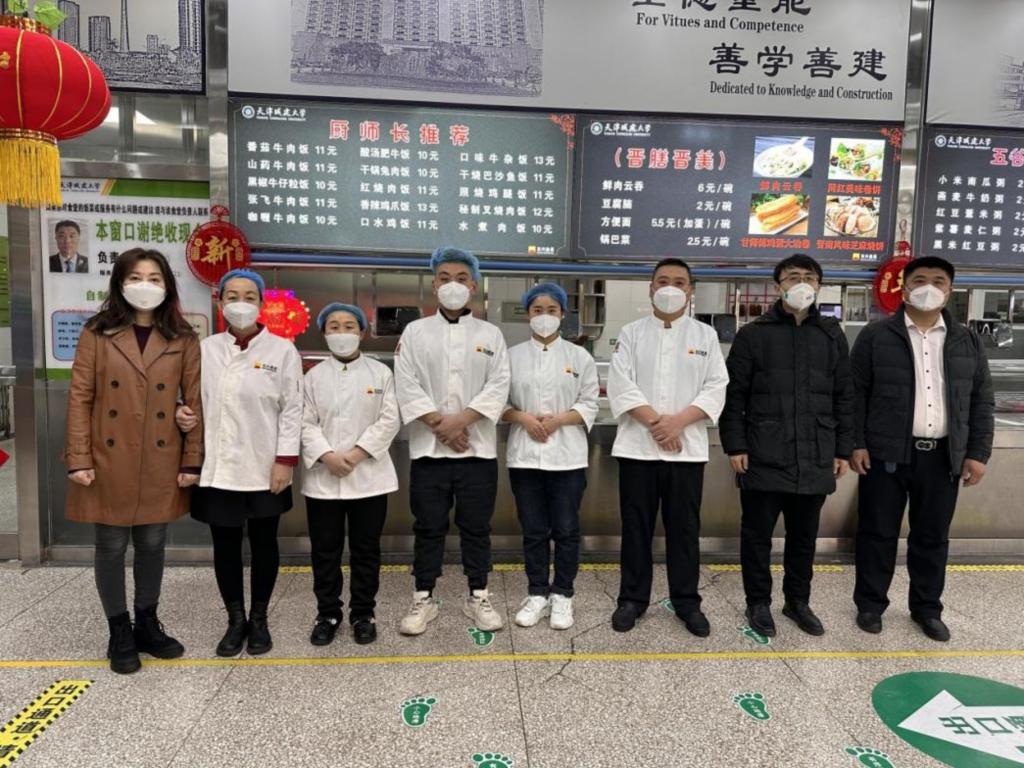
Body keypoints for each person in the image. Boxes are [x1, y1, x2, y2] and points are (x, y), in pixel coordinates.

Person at [64, 248, 202, 674]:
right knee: (110, 545)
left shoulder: (183, 337)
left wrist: (192, 458)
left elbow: (194, 401)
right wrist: (79, 457)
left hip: (160, 455)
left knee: (153, 542)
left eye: (155, 278)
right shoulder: (97, 332)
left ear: (167, 286)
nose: (146, 285)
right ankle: (118, 629)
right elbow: (81, 397)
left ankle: (147, 623)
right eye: (136, 277)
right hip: (108, 455)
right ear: (120, 283)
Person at [851, 256, 993, 642]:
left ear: (949, 290)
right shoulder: (876, 336)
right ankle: (870, 604)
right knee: (877, 532)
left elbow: (981, 399)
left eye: (938, 281)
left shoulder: (966, 340)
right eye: (919, 280)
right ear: (905, 288)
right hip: (886, 454)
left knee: (932, 536)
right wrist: (856, 444)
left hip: (943, 456)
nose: (928, 287)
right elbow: (855, 394)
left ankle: (927, 609)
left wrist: (978, 452)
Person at [720, 254, 854, 638]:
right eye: (793, 276)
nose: (801, 283)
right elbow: (734, 396)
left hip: (815, 453)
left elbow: (845, 396)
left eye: (809, 277)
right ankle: (758, 602)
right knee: (756, 536)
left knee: (803, 538)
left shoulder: (831, 335)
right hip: (763, 452)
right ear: (778, 285)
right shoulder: (753, 334)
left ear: (819, 286)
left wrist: (842, 449)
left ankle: (797, 601)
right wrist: (735, 445)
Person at [183, 269, 303, 656]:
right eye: (232, 296)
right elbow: (188, 398)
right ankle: (235, 620)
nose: (240, 303)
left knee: (265, 542)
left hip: (265, 463)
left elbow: (292, 410)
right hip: (218, 466)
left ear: (261, 303)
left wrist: (284, 460)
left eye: (249, 296)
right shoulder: (204, 349)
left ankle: (260, 618)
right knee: (225, 544)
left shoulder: (282, 351)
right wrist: (181, 412)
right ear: (220, 302)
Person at [607, 258, 728, 636]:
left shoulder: (705, 336)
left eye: (679, 282)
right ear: (651, 288)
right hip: (637, 450)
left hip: (686, 451)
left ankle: (687, 602)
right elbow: (621, 383)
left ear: (690, 290)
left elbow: (716, 386)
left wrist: (677, 423)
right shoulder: (631, 333)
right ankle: (632, 599)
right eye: (663, 281)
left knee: (684, 530)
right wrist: (658, 424)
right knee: (636, 527)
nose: (670, 288)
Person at [394, 246, 511, 636]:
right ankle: (423, 597)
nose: (453, 285)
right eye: (444, 278)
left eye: (461, 279)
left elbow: (499, 384)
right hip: (429, 451)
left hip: (477, 451)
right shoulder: (415, 332)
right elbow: (406, 382)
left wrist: (461, 421)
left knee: (476, 527)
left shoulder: (490, 334)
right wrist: (439, 424)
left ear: (474, 287)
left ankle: (478, 595)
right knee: (428, 526)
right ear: (434, 286)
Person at [300, 302, 400, 646]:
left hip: (369, 478)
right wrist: (327, 456)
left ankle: (363, 613)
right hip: (323, 479)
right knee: (324, 551)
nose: (341, 333)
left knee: (366, 551)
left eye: (348, 326)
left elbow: (389, 420)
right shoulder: (312, 377)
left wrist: (356, 454)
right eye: (334, 327)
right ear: (324, 333)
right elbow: (304, 422)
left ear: (361, 332)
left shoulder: (380, 374)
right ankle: (327, 613)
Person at [504, 283, 599, 630]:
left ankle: (563, 595)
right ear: (527, 314)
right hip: (525, 457)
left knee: (567, 529)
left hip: (567, 457)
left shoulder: (579, 357)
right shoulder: (511, 356)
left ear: (562, 314)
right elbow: (497, 402)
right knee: (533, 530)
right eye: (537, 310)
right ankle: (537, 593)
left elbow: (589, 402)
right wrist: (523, 418)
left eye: (551, 310)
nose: (544, 316)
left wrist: (559, 420)